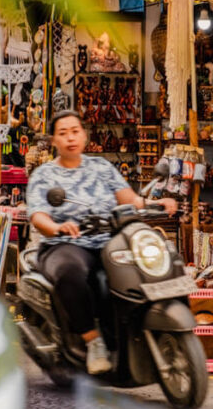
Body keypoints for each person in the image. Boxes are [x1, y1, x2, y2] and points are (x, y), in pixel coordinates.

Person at [26, 110, 177, 374]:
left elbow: (130, 199)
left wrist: (155, 204)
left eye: (75, 131)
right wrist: (56, 226)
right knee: (70, 273)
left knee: (136, 271)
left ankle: (127, 336)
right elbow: (38, 215)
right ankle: (93, 341)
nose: (70, 138)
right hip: (66, 244)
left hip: (108, 240)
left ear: (84, 135)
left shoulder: (102, 167)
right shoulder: (44, 175)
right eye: (63, 133)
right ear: (53, 141)